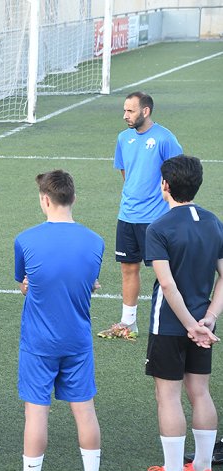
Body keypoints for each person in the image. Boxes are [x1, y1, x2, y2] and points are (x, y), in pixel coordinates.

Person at [0, 170, 104, 471]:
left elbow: (25, 283)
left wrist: (30, 286)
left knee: (37, 412)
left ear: (44, 200)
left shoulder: (25, 240)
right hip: (78, 340)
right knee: (85, 410)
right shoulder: (95, 241)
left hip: (39, 342)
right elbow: (88, 282)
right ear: (74, 198)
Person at [129, 155, 223, 471]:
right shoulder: (214, 222)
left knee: (167, 396)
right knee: (200, 392)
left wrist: (188, 325)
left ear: (166, 185)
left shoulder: (160, 227)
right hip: (202, 324)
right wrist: (207, 319)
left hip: (171, 325)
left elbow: (167, 285)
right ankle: (201, 469)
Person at [98, 91, 182, 340]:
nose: (125, 115)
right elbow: (126, 173)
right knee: (128, 268)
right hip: (127, 216)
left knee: (164, 271)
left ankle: (179, 318)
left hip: (155, 218)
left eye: (130, 111)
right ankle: (128, 322)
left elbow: (178, 175)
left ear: (145, 111)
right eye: (124, 110)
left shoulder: (165, 138)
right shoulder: (123, 138)